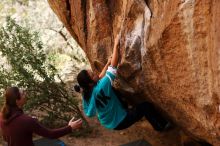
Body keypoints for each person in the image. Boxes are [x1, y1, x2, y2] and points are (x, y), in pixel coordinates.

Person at [74, 35, 171, 131]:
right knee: (146, 106)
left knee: (115, 93)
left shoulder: (87, 93)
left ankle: (126, 109)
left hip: (109, 122)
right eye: (92, 75)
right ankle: (161, 126)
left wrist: (107, 63)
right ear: (90, 84)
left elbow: (99, 77)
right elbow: (113, 67)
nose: (95, 73)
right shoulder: (101, 86)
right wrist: (116, 45)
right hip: (121, 121)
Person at [0, 87, 82, 146]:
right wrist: (70, 127)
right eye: (23, 94)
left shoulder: (2, 116)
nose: (25, 94)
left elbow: (6, 138)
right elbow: (51, 134)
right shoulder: (27, 121)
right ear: (17, 101)